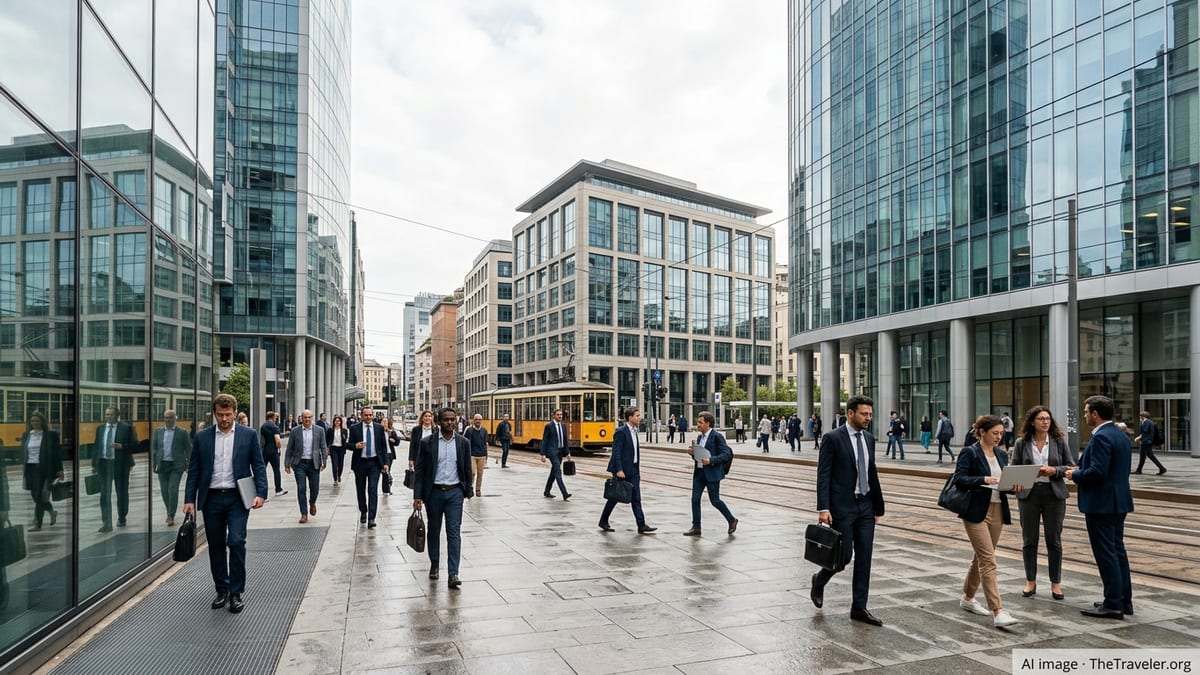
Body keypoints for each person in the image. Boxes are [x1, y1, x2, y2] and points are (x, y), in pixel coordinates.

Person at [183, 393, 266, 614]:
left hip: (238, 498)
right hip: (211, 499)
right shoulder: (203, 437)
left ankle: (237, 592)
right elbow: (194, 470)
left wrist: (261, 493)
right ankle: (222, 589)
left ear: (234, 414)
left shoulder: (248, 435)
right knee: (216, 545)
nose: (224, 419)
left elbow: (258, 466)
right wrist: (189, 499)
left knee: (236, 541)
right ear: (214, 414)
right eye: (220, 415)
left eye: (228, 415)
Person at [811, 395, 885, 626]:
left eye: (870, 415)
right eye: (864, 414)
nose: (868, 418)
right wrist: (824, 507)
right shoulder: (833, 438)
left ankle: (859, 607)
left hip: (865, 505)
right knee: (843, 556)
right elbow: (823, 474)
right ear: (850, 413)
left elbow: (871, 473)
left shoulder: (869, 439)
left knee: (865, 558)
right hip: (842, 506)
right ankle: (819, 580)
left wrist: (876, 506)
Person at [1068, 395, 1134, 619]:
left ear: (1095, 414)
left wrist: (1074, 474)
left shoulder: (1101, 438)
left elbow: (1097, 472)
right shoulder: (1120, 435)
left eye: (1086, 412)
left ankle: (1113, 604)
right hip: (1119, 502)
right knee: (1118, 551)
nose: (1085, 415)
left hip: (1101, 504)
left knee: (1106, 554)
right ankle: (1123, 600)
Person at [954, 415, 1022, 628]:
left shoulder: (1002, 455)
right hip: (975, 512)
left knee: (981, 558)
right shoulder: (970, 452)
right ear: (982, 432)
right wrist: (982, 480)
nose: (999, 437)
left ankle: (967, 598)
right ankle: (998, 611)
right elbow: (959, 479)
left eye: (1001, 433)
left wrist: (1013, 486)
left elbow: (1003, 482)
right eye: (995, 433)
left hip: (997, 510)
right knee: (988, 560)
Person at [1010, 406, 1074, 601]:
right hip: (1029, 495)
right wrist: (1021, 479)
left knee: (1053, 540)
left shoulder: (1058, 441)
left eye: (1047, 418)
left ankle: (1056, 583)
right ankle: (1031, 580)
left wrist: (1054, 470)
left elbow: (1070, 466)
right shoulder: (1022, 443)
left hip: (1053, 495)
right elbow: (1014, 469)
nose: (1045, 422)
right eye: (1041, 419)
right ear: (1032, 422)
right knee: (1029, 540)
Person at [412, 407, 472, 589]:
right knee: (434, 530)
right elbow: (420, 471)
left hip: (455, 493)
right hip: (434, 493)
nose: (450, 423)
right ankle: (435, 564)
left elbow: (467, 469)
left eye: (452, 419)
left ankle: (453, 573)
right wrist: (418, 496)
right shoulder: (427, 443)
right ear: (439, 422)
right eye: (446, 420)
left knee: (454, 532)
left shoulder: (463, 443)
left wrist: (467, 491)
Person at [599, 406, 656, 534]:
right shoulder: (621, 431)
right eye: (637, 415)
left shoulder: (635, 431)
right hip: (622, 470)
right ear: (630, 418)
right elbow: (616, 452)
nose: (639, 418)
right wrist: (619, 469)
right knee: (614, 496)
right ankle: (603, 520)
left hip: (634, 470)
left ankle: (641, 524)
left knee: (636, 497)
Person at [683, 411, 737, 536]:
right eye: (698, 422)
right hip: (699, 473)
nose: (698, 425)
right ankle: (696, 527)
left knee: (715, 501)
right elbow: (700, 457)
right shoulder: (699, 437)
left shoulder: (717, 436)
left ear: (708, 423)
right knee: (695, 499)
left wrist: (711, 460)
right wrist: (693, 454)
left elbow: (726, 454)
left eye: (700, 422)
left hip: (712, 473)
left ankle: (732, 520)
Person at [92, 406, 138, 533]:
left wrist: (122, 446)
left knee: (121, 492)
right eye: (106, 414)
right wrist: (94, 464)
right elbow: (97, 446)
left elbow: (136, 446)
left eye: (110, 415)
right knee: (104, 494)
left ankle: (122, 517)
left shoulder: (127, 428)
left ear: (117, 416)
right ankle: (106, 522)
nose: (108, 417)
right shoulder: (100, 429)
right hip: (104, 464)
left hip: (121, 465)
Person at [349, 406, 389, 528]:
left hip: (374, 463)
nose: (368, 417)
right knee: (360, 490)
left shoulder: (379, 428)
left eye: (370, 415)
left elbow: (383, 447)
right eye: (366, 415)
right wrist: (356, 446)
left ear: (373, 415)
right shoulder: (354, 428)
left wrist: (386, 463)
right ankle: (363, 511)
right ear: (361, 416)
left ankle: (372, 517)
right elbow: (348, 445)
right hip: (360, 463)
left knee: (372, 490)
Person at [284, 409, 327, 524]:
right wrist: (287, 463)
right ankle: (304, 513)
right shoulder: (295, 431)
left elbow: (323, 446)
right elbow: (290, 448)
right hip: (299, 464)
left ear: (312, 418)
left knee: (315, 489)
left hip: (314, 464)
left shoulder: (319, 430)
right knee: (301, 489)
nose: (307, 420)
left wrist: (324, 461)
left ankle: (312, 502)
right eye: (305, 417)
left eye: (309, 417)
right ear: (301, 418)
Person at [22, 411, 63, 531]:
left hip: (44, 469)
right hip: (30, 468)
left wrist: (59, 470)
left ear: (42, 422)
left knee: (40, 496)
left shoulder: (50, 435)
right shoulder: (26, 435)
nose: (34, 423)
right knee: (35, 496)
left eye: (37, 421)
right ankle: (51, 511)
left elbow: (56, 454)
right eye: (33, 421)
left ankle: (37, 523)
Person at [152, 409, 191, 527]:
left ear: (175, 419)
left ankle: (170, 515)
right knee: (164, 491)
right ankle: (169, 510)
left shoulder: (182, 432)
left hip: (176, 466)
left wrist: (189, 465)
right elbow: (154, 449)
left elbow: (189, 449)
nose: (168, 420)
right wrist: (154, 464)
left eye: (170, 417)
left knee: (172, 490)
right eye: (166, 417)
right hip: (162, 465)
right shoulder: (158, 432)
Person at [540, 409, 572, 500]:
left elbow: (565, 441)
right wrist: (543, 454)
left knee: (553, 473)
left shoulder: (563, 426)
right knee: (558, 471)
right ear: (553, 416)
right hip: (552, 452)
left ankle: (547, 491)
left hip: (560, 452)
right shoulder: (549, 426)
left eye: (561, 415)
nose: (560, 416)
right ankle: (564, 493)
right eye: (558, 415)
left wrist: (567, 453)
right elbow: (544, 440)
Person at [258, 412, 287, 498]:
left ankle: (262, 490)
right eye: (275, 417)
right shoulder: (275, 427)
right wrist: (279, 448)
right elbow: (277, 440)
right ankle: (278, 489)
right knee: (276, 470)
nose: (276, 419)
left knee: (263, 471)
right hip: (273, 451)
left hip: (265, 450)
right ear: (273, 417)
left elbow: (262, 440)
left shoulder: (263, 426)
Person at [1133, 411, 1166, 475]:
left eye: (1140, 416)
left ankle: (1162, 468)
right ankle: (1139, 470)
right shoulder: (1146, 422)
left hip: (1146, 441)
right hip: (1146, 441)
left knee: (1149, 455)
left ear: (1143, 416)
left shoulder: (1147, 422)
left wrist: (1138, 438)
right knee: (1143, 456)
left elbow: (1145, 432)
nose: (1139, 417)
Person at [464, 414, 489, 496]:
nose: (478, 421)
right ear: (473, 421)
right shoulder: (469, 431)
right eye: (476, 419)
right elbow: (465, 443)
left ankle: (478, 490)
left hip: (481, 455)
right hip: (472, 455)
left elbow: (485, 444)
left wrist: (486, 455)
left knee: (480, 474)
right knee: (472, 473)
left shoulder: (484, 431)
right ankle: (470, 488)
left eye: (479, 419)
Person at [326, 414, 349, 484]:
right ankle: (335, 479)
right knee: (334, 464)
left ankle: (339, 475)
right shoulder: (330, 430)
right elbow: (327, 439)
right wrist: (327, 448)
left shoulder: (344, 430)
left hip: (341, 448)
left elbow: (345, 440)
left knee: (341, 464)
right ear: (333, 422)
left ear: (341, 422)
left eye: (339, 421)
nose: (337, 422)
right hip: (333, 448)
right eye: (336, 421)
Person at [381, 418, 401, 495]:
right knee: (384, 472)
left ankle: (386, 489)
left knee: (387, 471)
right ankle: (386, 489)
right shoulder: (378, 432)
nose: (384, 423)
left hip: (389, 454)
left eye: (386, 422)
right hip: (381, 454)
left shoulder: (391, 432)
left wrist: (393, 440)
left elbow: (397, 442)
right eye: (383, 422)